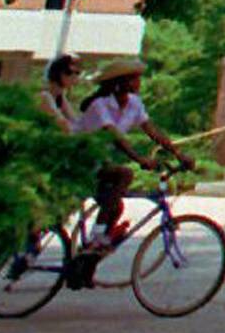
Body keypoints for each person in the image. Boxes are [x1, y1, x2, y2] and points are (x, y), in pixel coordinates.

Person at [69, 62, 188, 251]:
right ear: (118, 83)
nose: (138, 83)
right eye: (132, 79)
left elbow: (152, 131)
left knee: (115, 207)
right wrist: (139, 159)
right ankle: (97, 235)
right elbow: (115, 136)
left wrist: (179, 154)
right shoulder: (100, 105)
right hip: (79, 158)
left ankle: (89, 259)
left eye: (138, 78)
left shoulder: (134, 103)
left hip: (99, 159)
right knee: (124, 174)